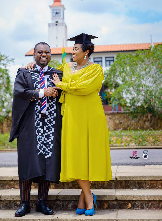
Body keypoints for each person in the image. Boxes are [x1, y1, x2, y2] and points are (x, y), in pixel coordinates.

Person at [51, 33, 112, 216]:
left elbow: (86, 88)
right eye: (73, 48)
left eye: (76, 49)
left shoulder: (96, 69)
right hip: (72, 116)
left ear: (86, 52)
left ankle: (85, 198)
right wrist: (31, 66)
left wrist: (63, 85)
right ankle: (88, 196)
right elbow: (49, 72)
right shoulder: (67, 67)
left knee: (87, 155)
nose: (73, 51)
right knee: (77, 154)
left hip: (91, 116)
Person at [9, 42, 62, 217]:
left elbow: (67, 90)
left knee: (48, 163)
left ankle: (42, 202)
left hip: (50, 126)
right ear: (34, 54)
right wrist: (42, 93)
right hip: (29, 126)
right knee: (27, 162)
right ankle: (24, 203)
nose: (43, 55)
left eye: (47, 52)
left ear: (50, 54)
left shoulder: (57, 74)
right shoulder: (24, 72)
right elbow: (20, 93)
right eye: (40, 52)